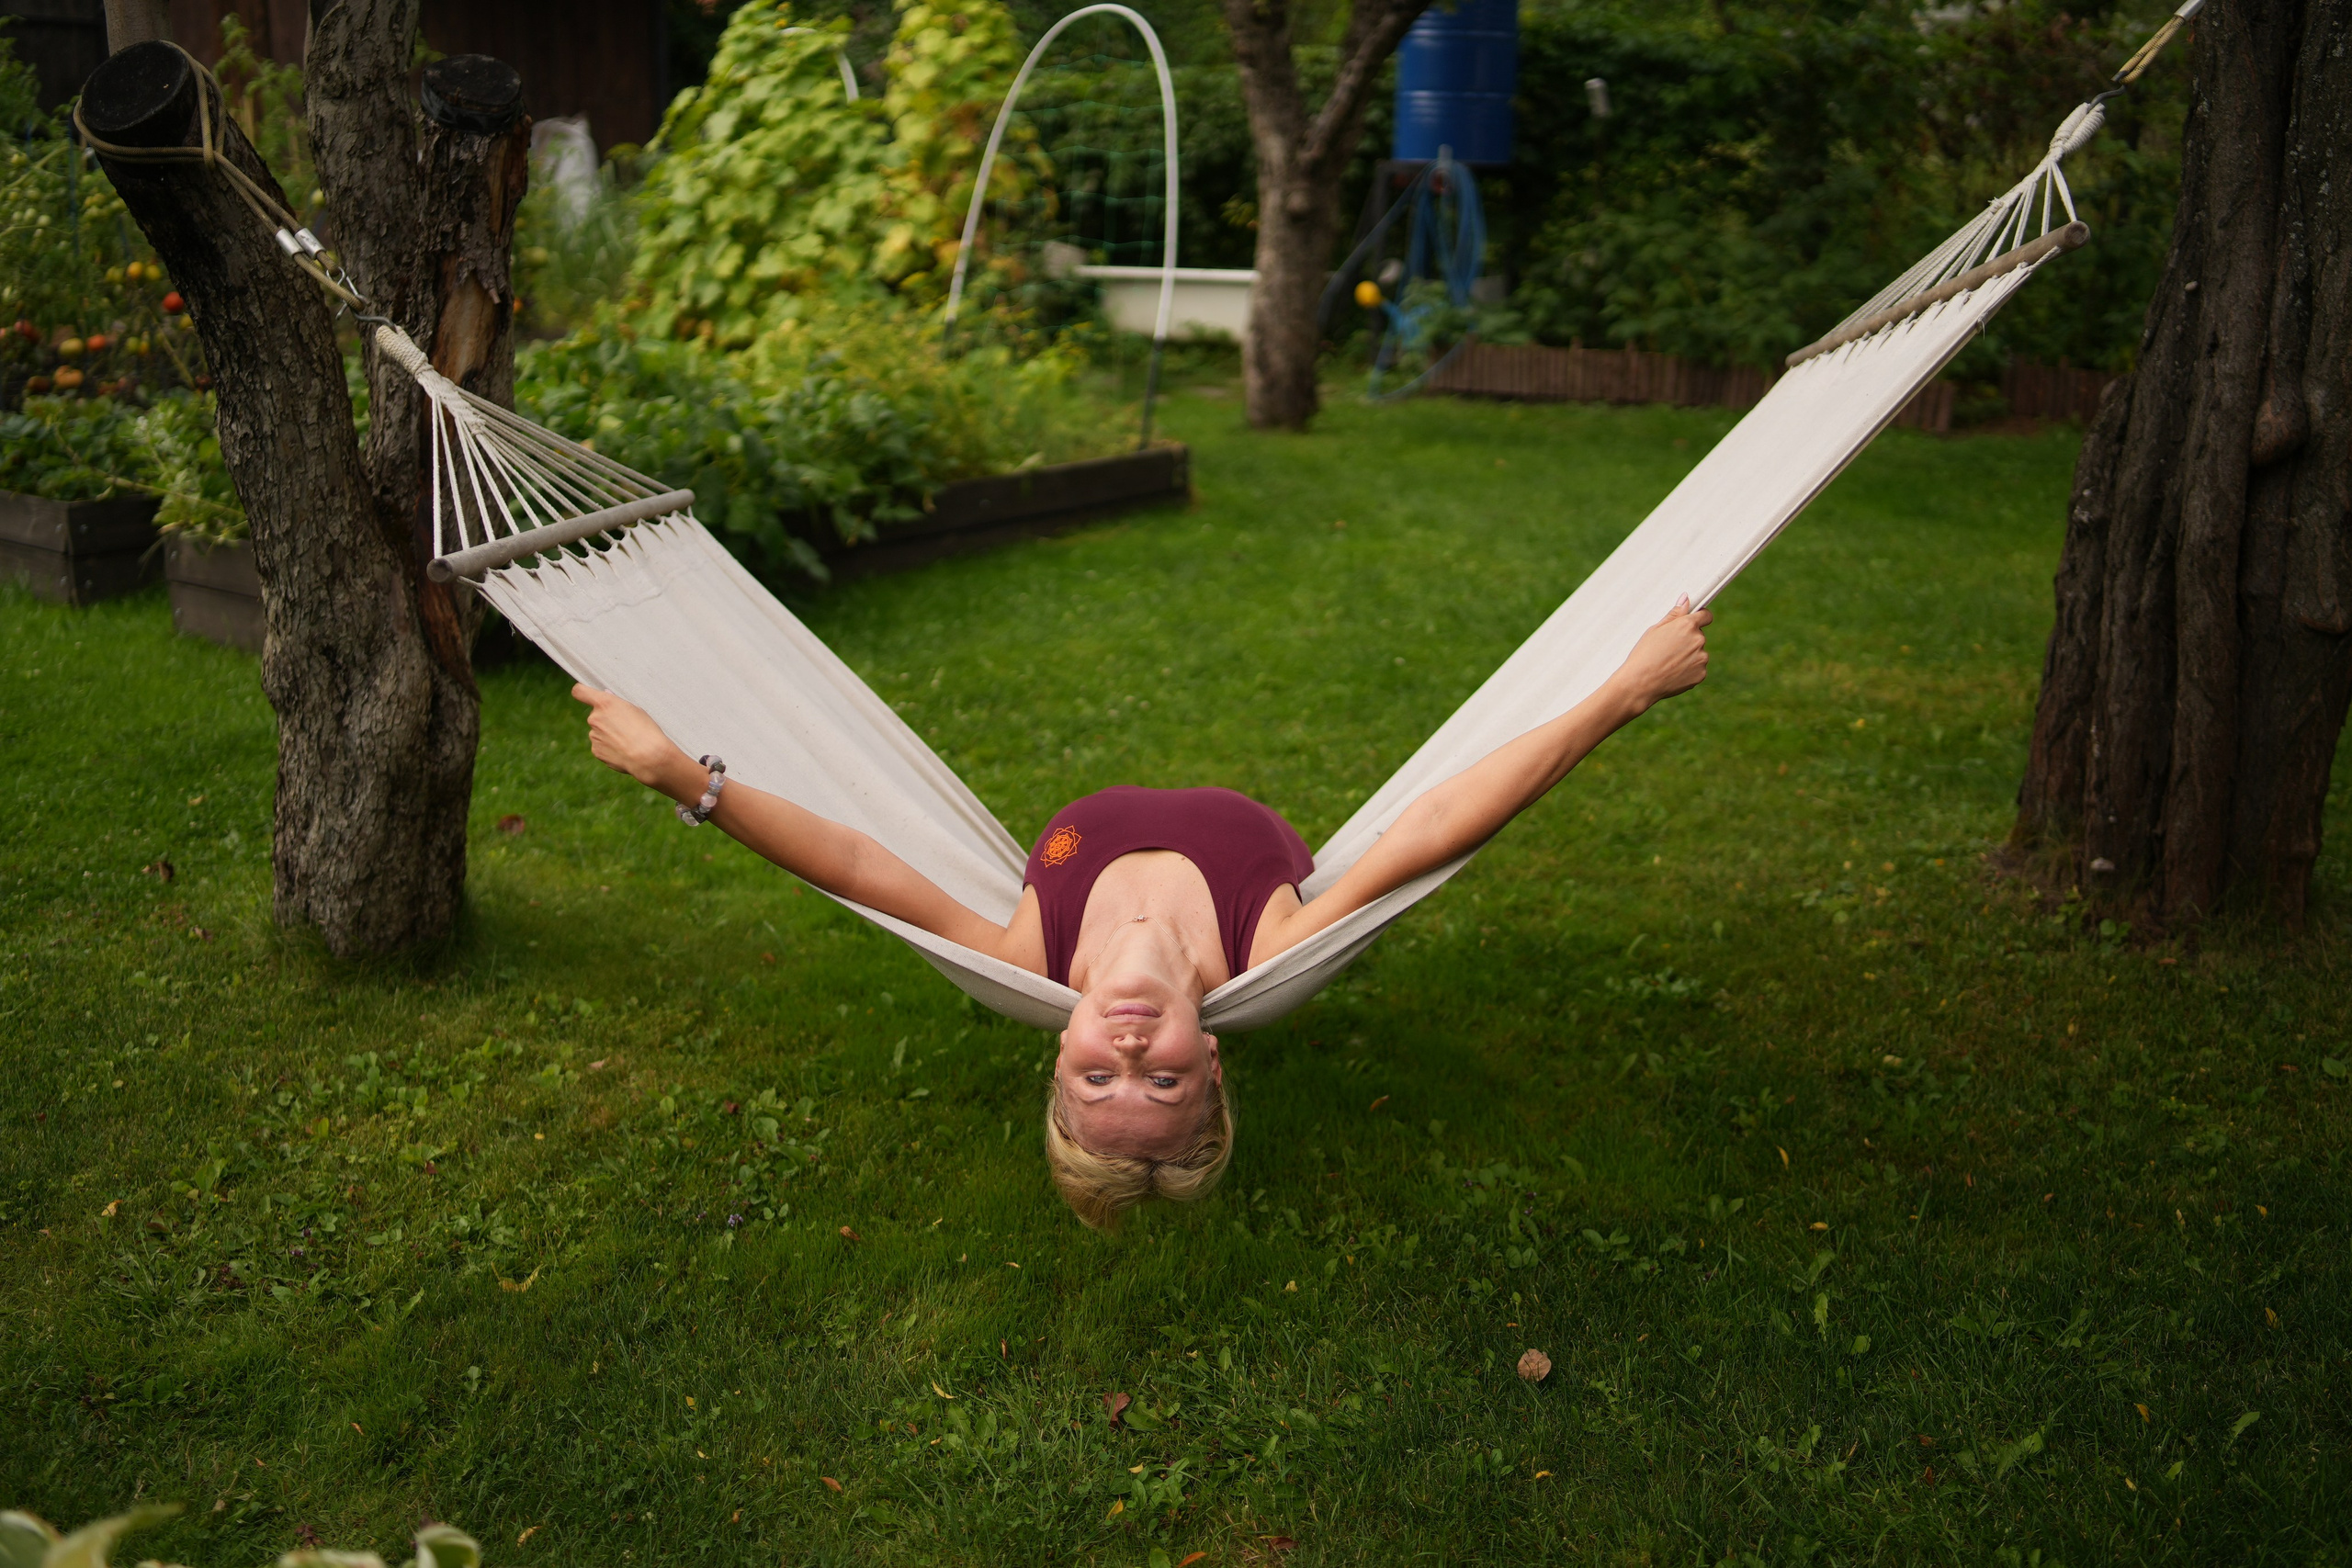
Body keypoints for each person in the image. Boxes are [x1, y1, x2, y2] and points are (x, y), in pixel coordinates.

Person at [572, 598, 1713, 1226]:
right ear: (1211, 1064)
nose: (1126, 1051)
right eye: (1159, 1081)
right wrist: (1621, 690)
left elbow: (863, 865)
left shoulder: (1034, 957)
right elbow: (1438, 826)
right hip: (1243, 868)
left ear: (1056, 1053)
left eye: (1094, 1080)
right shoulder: (1265, 952)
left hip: (1072, 855)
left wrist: (688, 778)